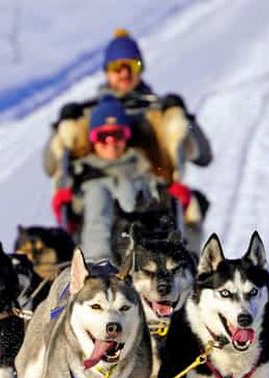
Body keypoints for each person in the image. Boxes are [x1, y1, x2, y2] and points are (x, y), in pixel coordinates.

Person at [43, 30, 212, 201]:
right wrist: (60, 129)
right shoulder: (88, 114)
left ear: (141, 68)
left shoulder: (158, 112)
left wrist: (184, 119)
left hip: (157, 198)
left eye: (133, 65)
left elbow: (204, 157)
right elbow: (50, 167)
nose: (125, 74)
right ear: (107, 71)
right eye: (116, 67)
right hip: (96, 196)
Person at [52, 96, 160, 261]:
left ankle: (135, 256)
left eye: (118, 134)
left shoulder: (142, 164)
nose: (111, 143)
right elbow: (53, 164)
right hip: (91, 242)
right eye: (102, 136)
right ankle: (98, 262)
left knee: (128, 189)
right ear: (92, 138)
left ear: (127, 136)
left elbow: (157, 195)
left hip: (137, 245)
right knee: (97, 194)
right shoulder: (82, 169)